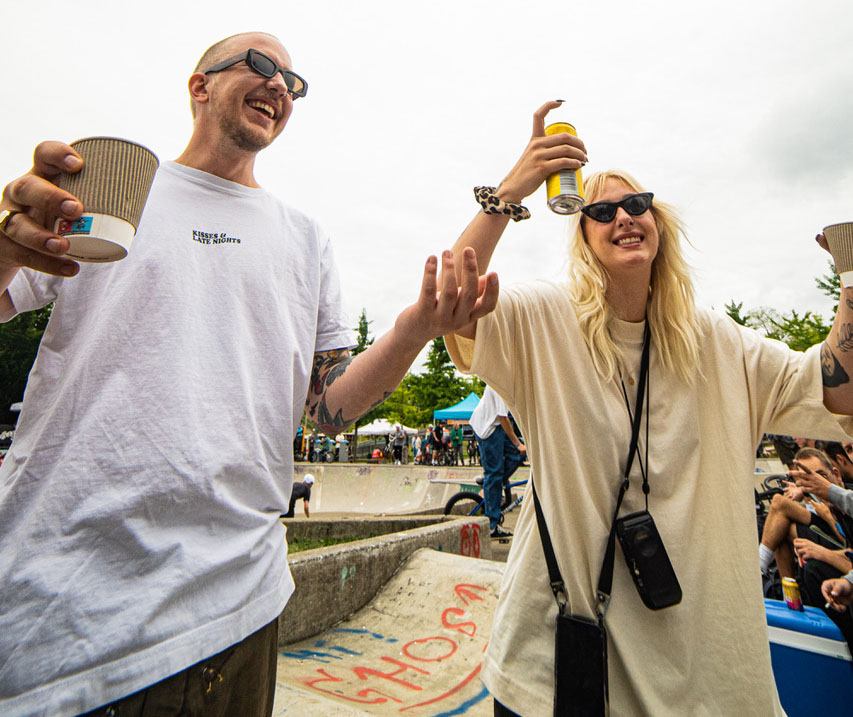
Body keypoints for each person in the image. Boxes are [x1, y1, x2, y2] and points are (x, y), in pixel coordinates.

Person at [0, 33, 497, 716]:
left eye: (293, 81)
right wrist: (7, 239)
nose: (279, 86)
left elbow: (328, 409)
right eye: (260, 66)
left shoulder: (304, 237)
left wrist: (413, 330)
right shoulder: (113, 193)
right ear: (199, 87)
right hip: (68, 601)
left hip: (236, 606)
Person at [442, 100, 853, 715]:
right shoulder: (546, 320)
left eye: (637, 204)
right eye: (600, 211)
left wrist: (850, 274)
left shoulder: (718, 341)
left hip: (698, 674)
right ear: (583, 236)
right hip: (561, 664)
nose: (622, 217)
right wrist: (511, 190)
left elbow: (833, 387)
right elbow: (451, 296)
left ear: (658, 222)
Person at [470, 386, 526, 538]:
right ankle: (492, 526)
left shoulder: (514, 383)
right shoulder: (501, 384)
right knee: (495, 473)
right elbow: (503, 418)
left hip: (497, 425)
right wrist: (517, 443)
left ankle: (490, 483)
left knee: (518, 455)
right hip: (487, 428)